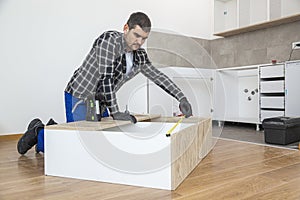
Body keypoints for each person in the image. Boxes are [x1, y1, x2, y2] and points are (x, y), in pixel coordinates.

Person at [17, 11, 192, 155]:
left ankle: (51, 130)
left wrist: (181, 97)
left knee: (98, 144)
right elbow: (106, 78)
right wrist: (116, 113)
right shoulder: (109, 41)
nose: (139, 42)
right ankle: (39, 132)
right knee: (79, 146)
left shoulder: (139, 56)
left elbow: (158, 76)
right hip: (80, 93)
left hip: (100, 99)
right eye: (136, 35)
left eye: (144, 38)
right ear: (126, 28)